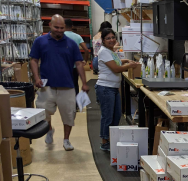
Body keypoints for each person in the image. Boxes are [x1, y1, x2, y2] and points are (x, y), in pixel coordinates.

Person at [30, 14, 89, 151]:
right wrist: (36, 78)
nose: (59, 30)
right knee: (43, 112)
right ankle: (49, 130)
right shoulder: (40, 41)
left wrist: (84, 83)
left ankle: (66, 140)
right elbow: (33, 60)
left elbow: (79, 64)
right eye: (56, 27)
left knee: (69, 115)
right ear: (50, 25)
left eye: (62, 28)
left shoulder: (71, 44)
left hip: (67, 85)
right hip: (46, 86)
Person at [96, 28, 139, 151]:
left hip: (113, 88)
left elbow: (116, 61)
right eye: (108, 38)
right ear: (103, 40)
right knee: (108, 116)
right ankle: (105, 142)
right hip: (105, 88)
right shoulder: (104, 51)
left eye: (113, 37)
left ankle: (112, 139)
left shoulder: (111, 51)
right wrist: (129, 66)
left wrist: (126, 61)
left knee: (116, 115)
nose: (111, 40)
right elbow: (115, 68)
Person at [64, 18, 89, 109]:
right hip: (75, 66)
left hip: (63, 66)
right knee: (75, 84)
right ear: (72, 26)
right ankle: (77, 105)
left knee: (64, 86)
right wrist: (85, 61)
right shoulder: (77, 36)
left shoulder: (60, 36)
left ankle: (67, 104)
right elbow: (86, 49)